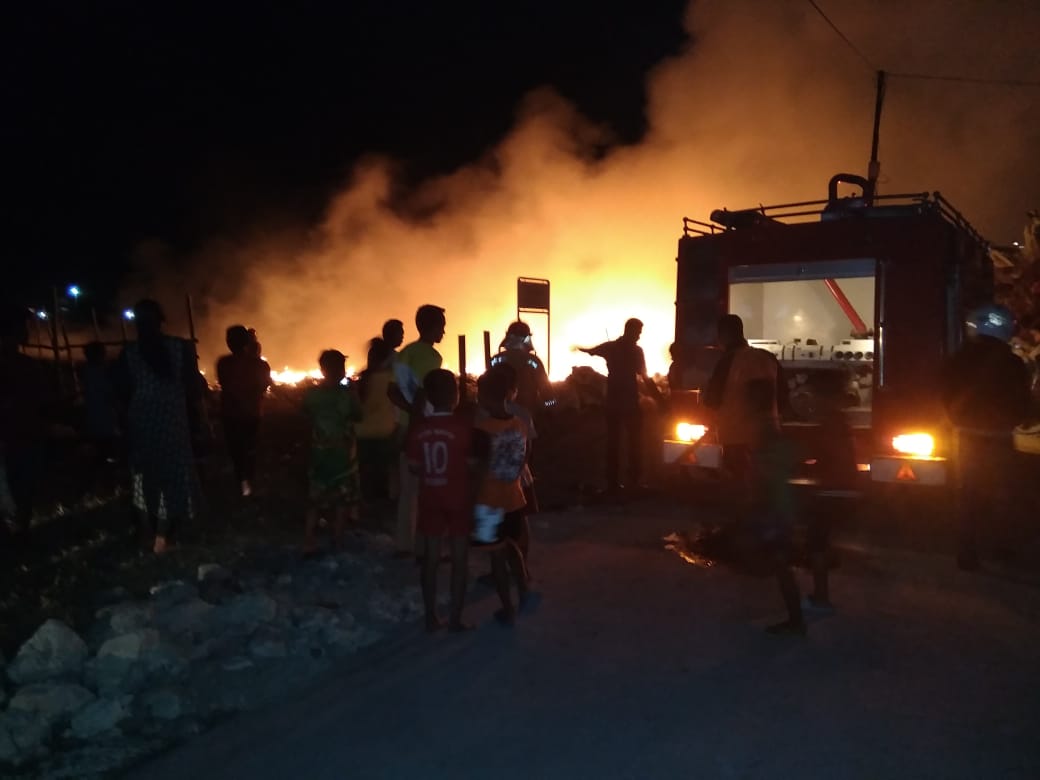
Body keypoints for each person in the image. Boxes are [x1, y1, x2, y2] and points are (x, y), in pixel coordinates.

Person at [942, 304, 1032, 571]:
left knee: (968, 495)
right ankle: (1003, 550)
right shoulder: (1012, 363)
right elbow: (1022, 401)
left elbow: (944, 394)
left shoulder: (957, 359)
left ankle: (967, 553)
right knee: (1003, 494)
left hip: (967, 437)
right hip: (1000, 437)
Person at [114, 299, 205, 554]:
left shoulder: (129, 353)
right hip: (172, 420)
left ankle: (146, 531)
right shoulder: (179, 347)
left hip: (141, 419)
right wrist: (197, 414)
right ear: (161, 321)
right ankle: (162, 536)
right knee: (172, 474)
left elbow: (120, 390)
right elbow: (194, 386)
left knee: (144, 476)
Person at [406, 369, 485, 632]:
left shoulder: (419, 429)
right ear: (455, 395)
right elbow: (473, 465)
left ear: (428, 396)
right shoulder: (463, 428)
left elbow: (414, 467)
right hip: (458, 500)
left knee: (430, 559)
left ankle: (431, 617)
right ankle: (455, 619)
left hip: (430, 498)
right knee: (459, 560)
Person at [474, 366, 535, 626]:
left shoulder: (480, 428)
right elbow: (524, 458)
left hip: (488, 502)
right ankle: (523, 592)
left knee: (496, 556)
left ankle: (506, 608)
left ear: (484, 397)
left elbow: (476, 467)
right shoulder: (519, 424)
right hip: (514, 497)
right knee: (513, 549)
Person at [744, 378, 804, 636]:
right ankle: (795, 618)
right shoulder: (768, 424)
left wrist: (757, 499)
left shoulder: (765, 428)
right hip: (780, 503)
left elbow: (769, 469)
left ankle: (796, 620)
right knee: (781, 561)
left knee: (781, 563)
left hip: (775, 504)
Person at [578, 318, 663, 493]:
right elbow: (645, 377)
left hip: (614, 401)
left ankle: (613, 483)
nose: (639, 336)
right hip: (628, 401)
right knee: (634, 443)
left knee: (614, 443)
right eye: (638, 332)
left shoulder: (611, 347)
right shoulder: (636, 351)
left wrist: (582, 349)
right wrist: (660, 399)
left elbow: (592, 351)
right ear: (631, 330)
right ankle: (633, 481)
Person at [388, 304, 446, 559]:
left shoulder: (405, 353)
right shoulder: (431, 357)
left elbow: (393, 390)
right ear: (432, 327)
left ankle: (404, 544)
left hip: (404, 425)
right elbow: (426, 393)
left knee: (408, 490)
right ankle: (428, 545)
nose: (443, 332)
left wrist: (409, 413)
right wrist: (419, 416)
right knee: (431, 488)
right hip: (425, 428)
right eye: (441, 326)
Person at [803, 370, 859, 612]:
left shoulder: (830, 423)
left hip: (831, 489)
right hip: (838, 487)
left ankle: (820, 597)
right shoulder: (838, 420)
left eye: (813, 394)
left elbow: (826, 455)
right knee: (822, 542)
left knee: (816, 543)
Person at [703, 314, 780, 489]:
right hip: (768, 432)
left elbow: (712, 399)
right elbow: (782, 395)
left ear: (724, 334)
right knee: (765, 482)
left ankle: (742, 513)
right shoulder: (766, 357)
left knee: (739, 481)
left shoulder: (728, 361)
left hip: (736, 435)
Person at [302, 349, 362, 556]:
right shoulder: (346, 397)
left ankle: (309, 540)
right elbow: (358, 415)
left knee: (315, 497)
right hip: (342, 456)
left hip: (319, 453)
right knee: (342, 498)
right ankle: (337, 538)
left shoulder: (312, 395)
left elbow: (306, 414)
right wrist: (354, 393)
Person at [0, 306, 50, 537]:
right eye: (22, 327)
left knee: (21, 484)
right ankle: (18, 530)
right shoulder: (24, 366)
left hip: (26, 435)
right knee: (19, 484)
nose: (27, 332)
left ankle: (19, 530)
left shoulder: (28, 365)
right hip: (19, 436)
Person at [216, 325, 272, 497]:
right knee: (249, 447)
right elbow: (264, 385)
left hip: (231, 413)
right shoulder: (260, 365)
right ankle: (248, 482)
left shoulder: (223, 363)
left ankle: (242, 481)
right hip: (251, 413)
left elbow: (225, 384)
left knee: (236, 449)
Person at [356, 338, 399, 501]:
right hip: (386, 431)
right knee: (383, 472)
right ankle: (383, 507)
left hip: (363, 432)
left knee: (365, 474)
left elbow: (358, 404)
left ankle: (365, 507)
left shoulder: (364, 379)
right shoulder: (392, 379)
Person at [490, 321, 553, 415]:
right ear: (527, 339)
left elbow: (486, 388)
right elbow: (546, 390)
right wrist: (550, 407)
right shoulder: (533, 362)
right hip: (527, 414)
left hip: (498, 414)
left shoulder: (496, 360)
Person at [79, 341, 119, 465]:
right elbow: (110, 395)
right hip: (105, 422)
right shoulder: (102, 373)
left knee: (99, 454)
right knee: (108, 454)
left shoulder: (86, 372)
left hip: (93, 421)